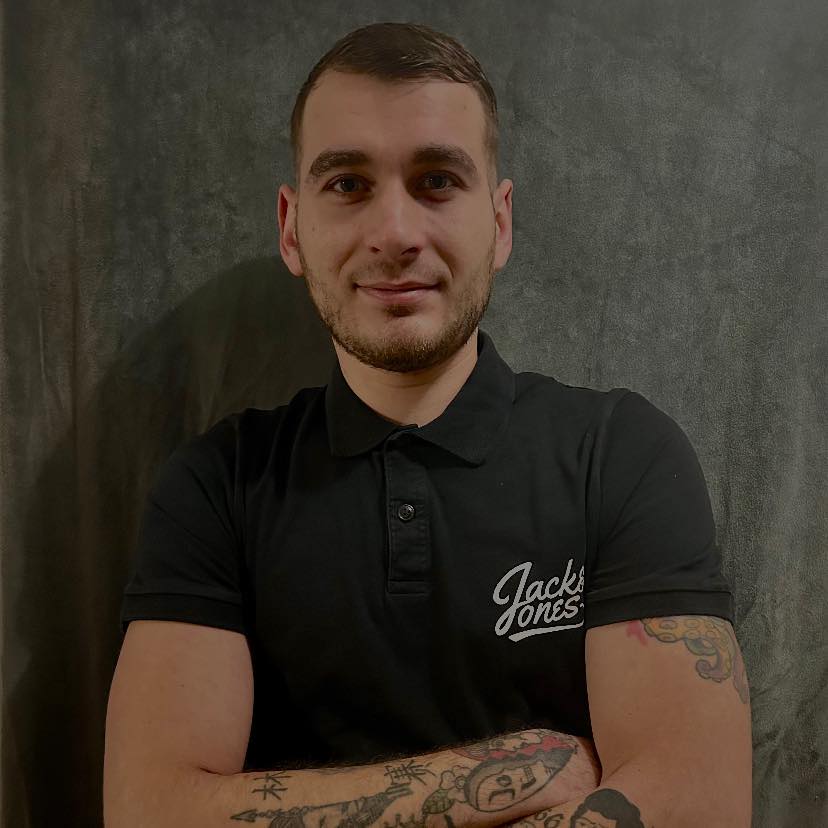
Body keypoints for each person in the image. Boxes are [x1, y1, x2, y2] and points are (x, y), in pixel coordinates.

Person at [104, 21, 753, 828]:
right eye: (348, 184)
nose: (396, 234)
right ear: (291, 227)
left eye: (438, 181)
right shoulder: (216, 487)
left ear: (500, 221)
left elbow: (701, 807)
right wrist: (518, 769)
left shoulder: (621, 456)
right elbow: (149, 812)